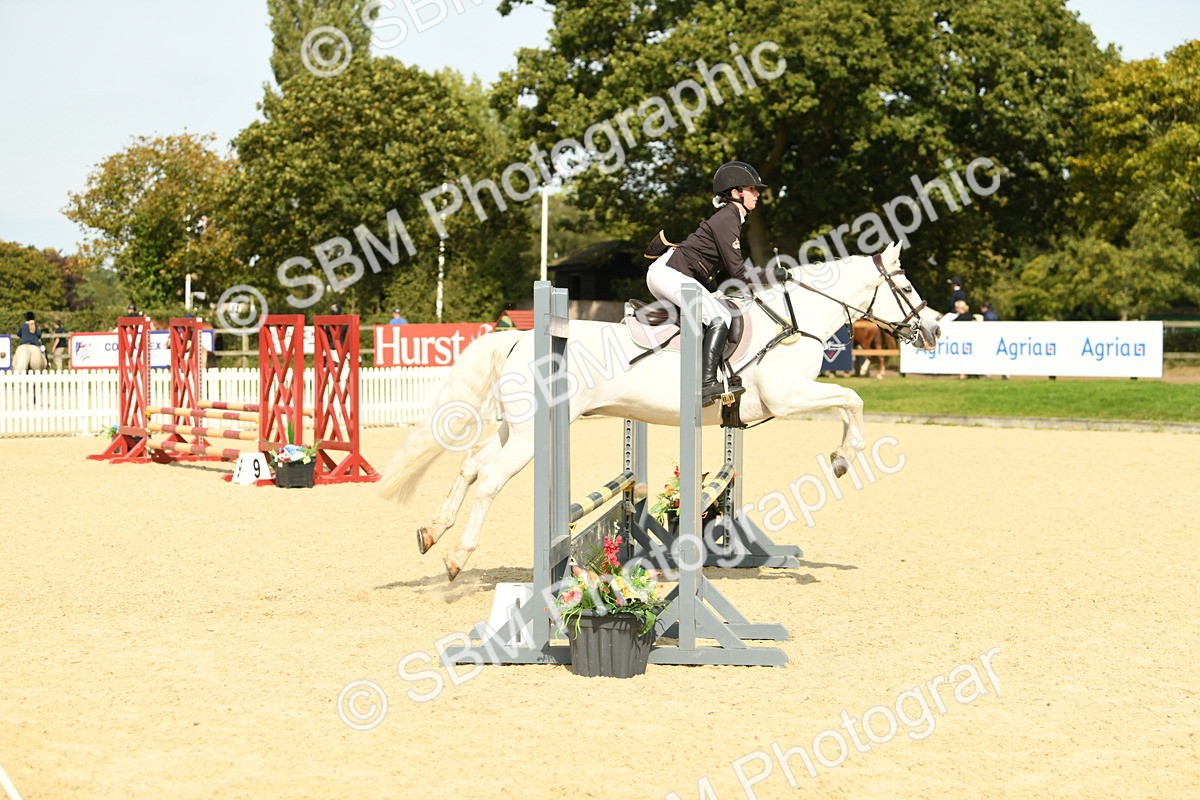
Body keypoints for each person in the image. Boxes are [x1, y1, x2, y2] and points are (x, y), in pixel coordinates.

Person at [645, 160, 785, 407]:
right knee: (721, 317)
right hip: (670, 274)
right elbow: (740, 274)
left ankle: (712, 374)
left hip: (673, 274)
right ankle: (706, 383)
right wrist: (774, 275)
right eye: (752, 189)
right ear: (735, 193)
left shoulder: (730, 218)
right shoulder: (727, 218)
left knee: (719, 309)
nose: (757, 194)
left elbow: (724, 273)